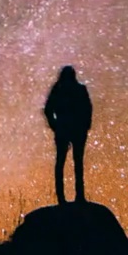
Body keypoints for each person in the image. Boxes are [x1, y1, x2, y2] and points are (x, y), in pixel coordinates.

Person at [43, 65, 93, 204]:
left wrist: (55, 125)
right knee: (76, 163)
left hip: (65, 129)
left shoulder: (58, 89)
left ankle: (63, 198)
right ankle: (79, 197)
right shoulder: (79, 89)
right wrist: (85, 126)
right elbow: (88, 109)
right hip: (75, 130)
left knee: (62, 163)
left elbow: (48, 109)